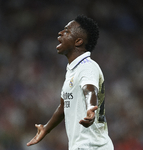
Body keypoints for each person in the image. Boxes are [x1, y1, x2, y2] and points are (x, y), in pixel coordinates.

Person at [27, 15, 114, 150]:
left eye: (67, 31)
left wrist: (91, 109)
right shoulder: (73, 70)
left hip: (92, 146)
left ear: (78, 41)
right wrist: (46, 128)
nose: (60, 33)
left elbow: (89, 89)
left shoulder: (87, 66)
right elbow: (64, 106)